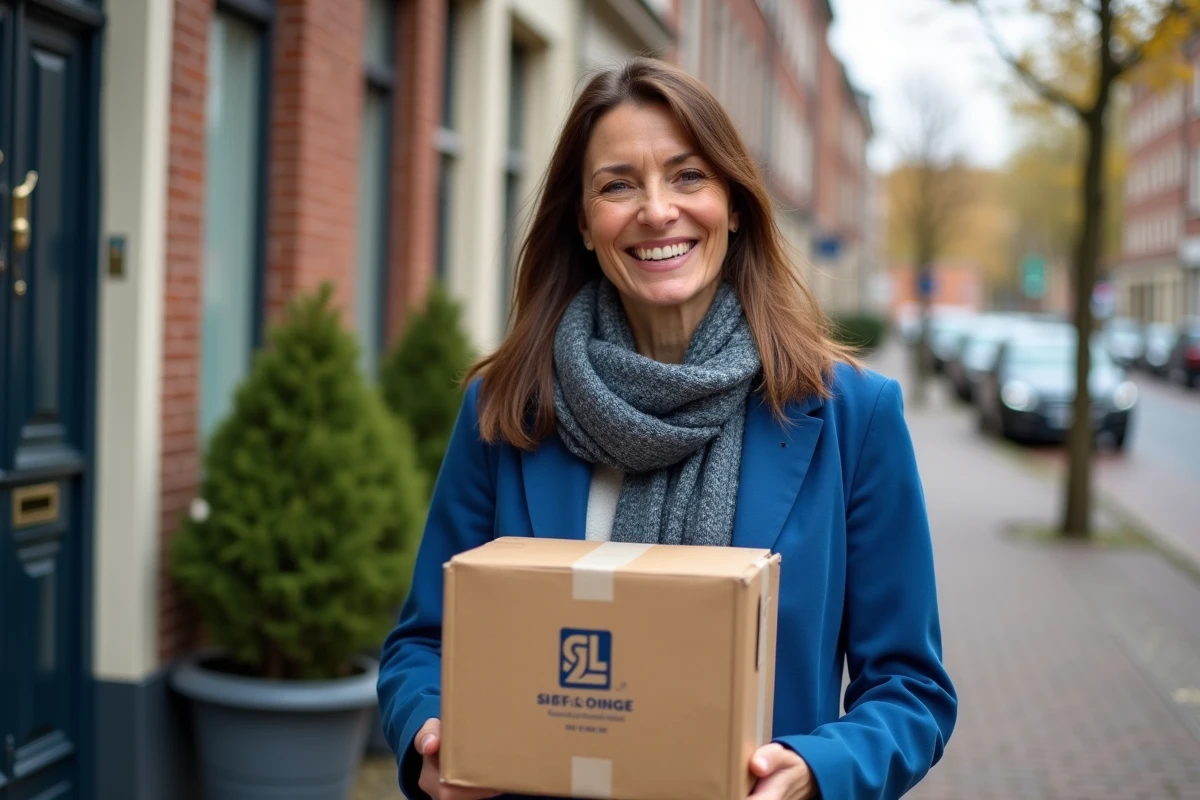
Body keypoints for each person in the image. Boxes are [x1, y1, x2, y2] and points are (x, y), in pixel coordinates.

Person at [377, 57, 956, 800]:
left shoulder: (850, 415)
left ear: (734, 204)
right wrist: (428, 731)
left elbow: (911, 690)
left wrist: (817, 771)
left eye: (688, 177)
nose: (656, 211)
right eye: (618, 185)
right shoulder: (510, 405)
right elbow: (424, 643)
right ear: (583, 223)